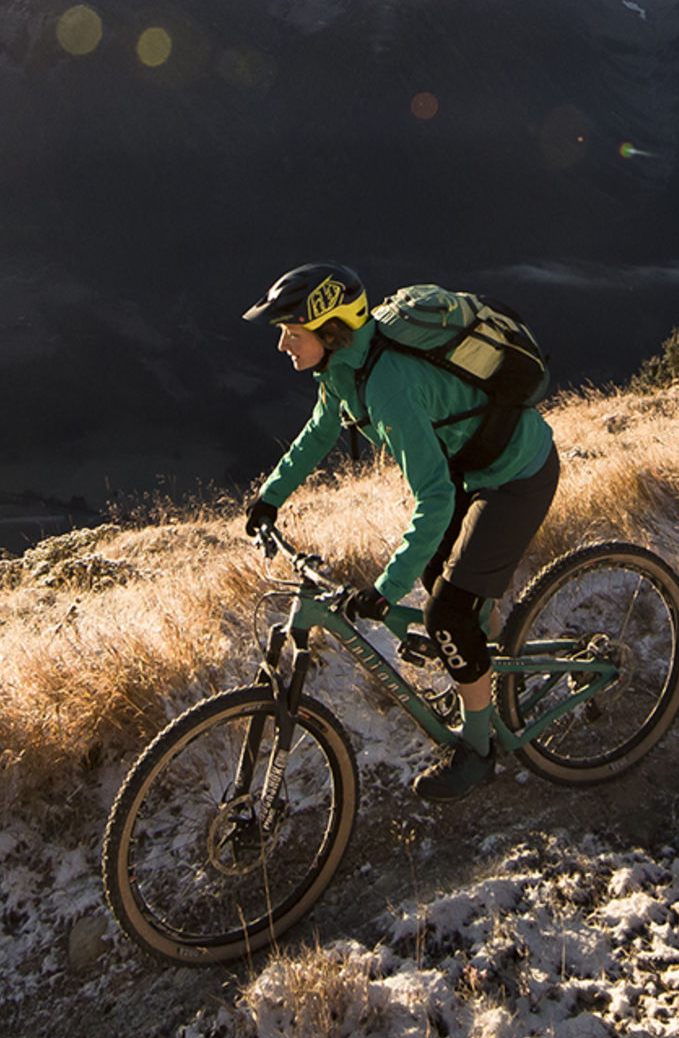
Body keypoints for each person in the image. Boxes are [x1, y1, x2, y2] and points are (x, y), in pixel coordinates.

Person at [235, 262, 560, 803]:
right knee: (441, 578)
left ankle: (478, 752)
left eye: (292, 333)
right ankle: (492, 666)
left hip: (515, 474)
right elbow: (319, 432)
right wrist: (270, 496)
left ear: (329, 328)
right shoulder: (345, 367)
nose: (283, 346)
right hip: (471, 470)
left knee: (447, 614)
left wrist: (384, 592)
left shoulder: (386, 384)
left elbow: (434, 498)